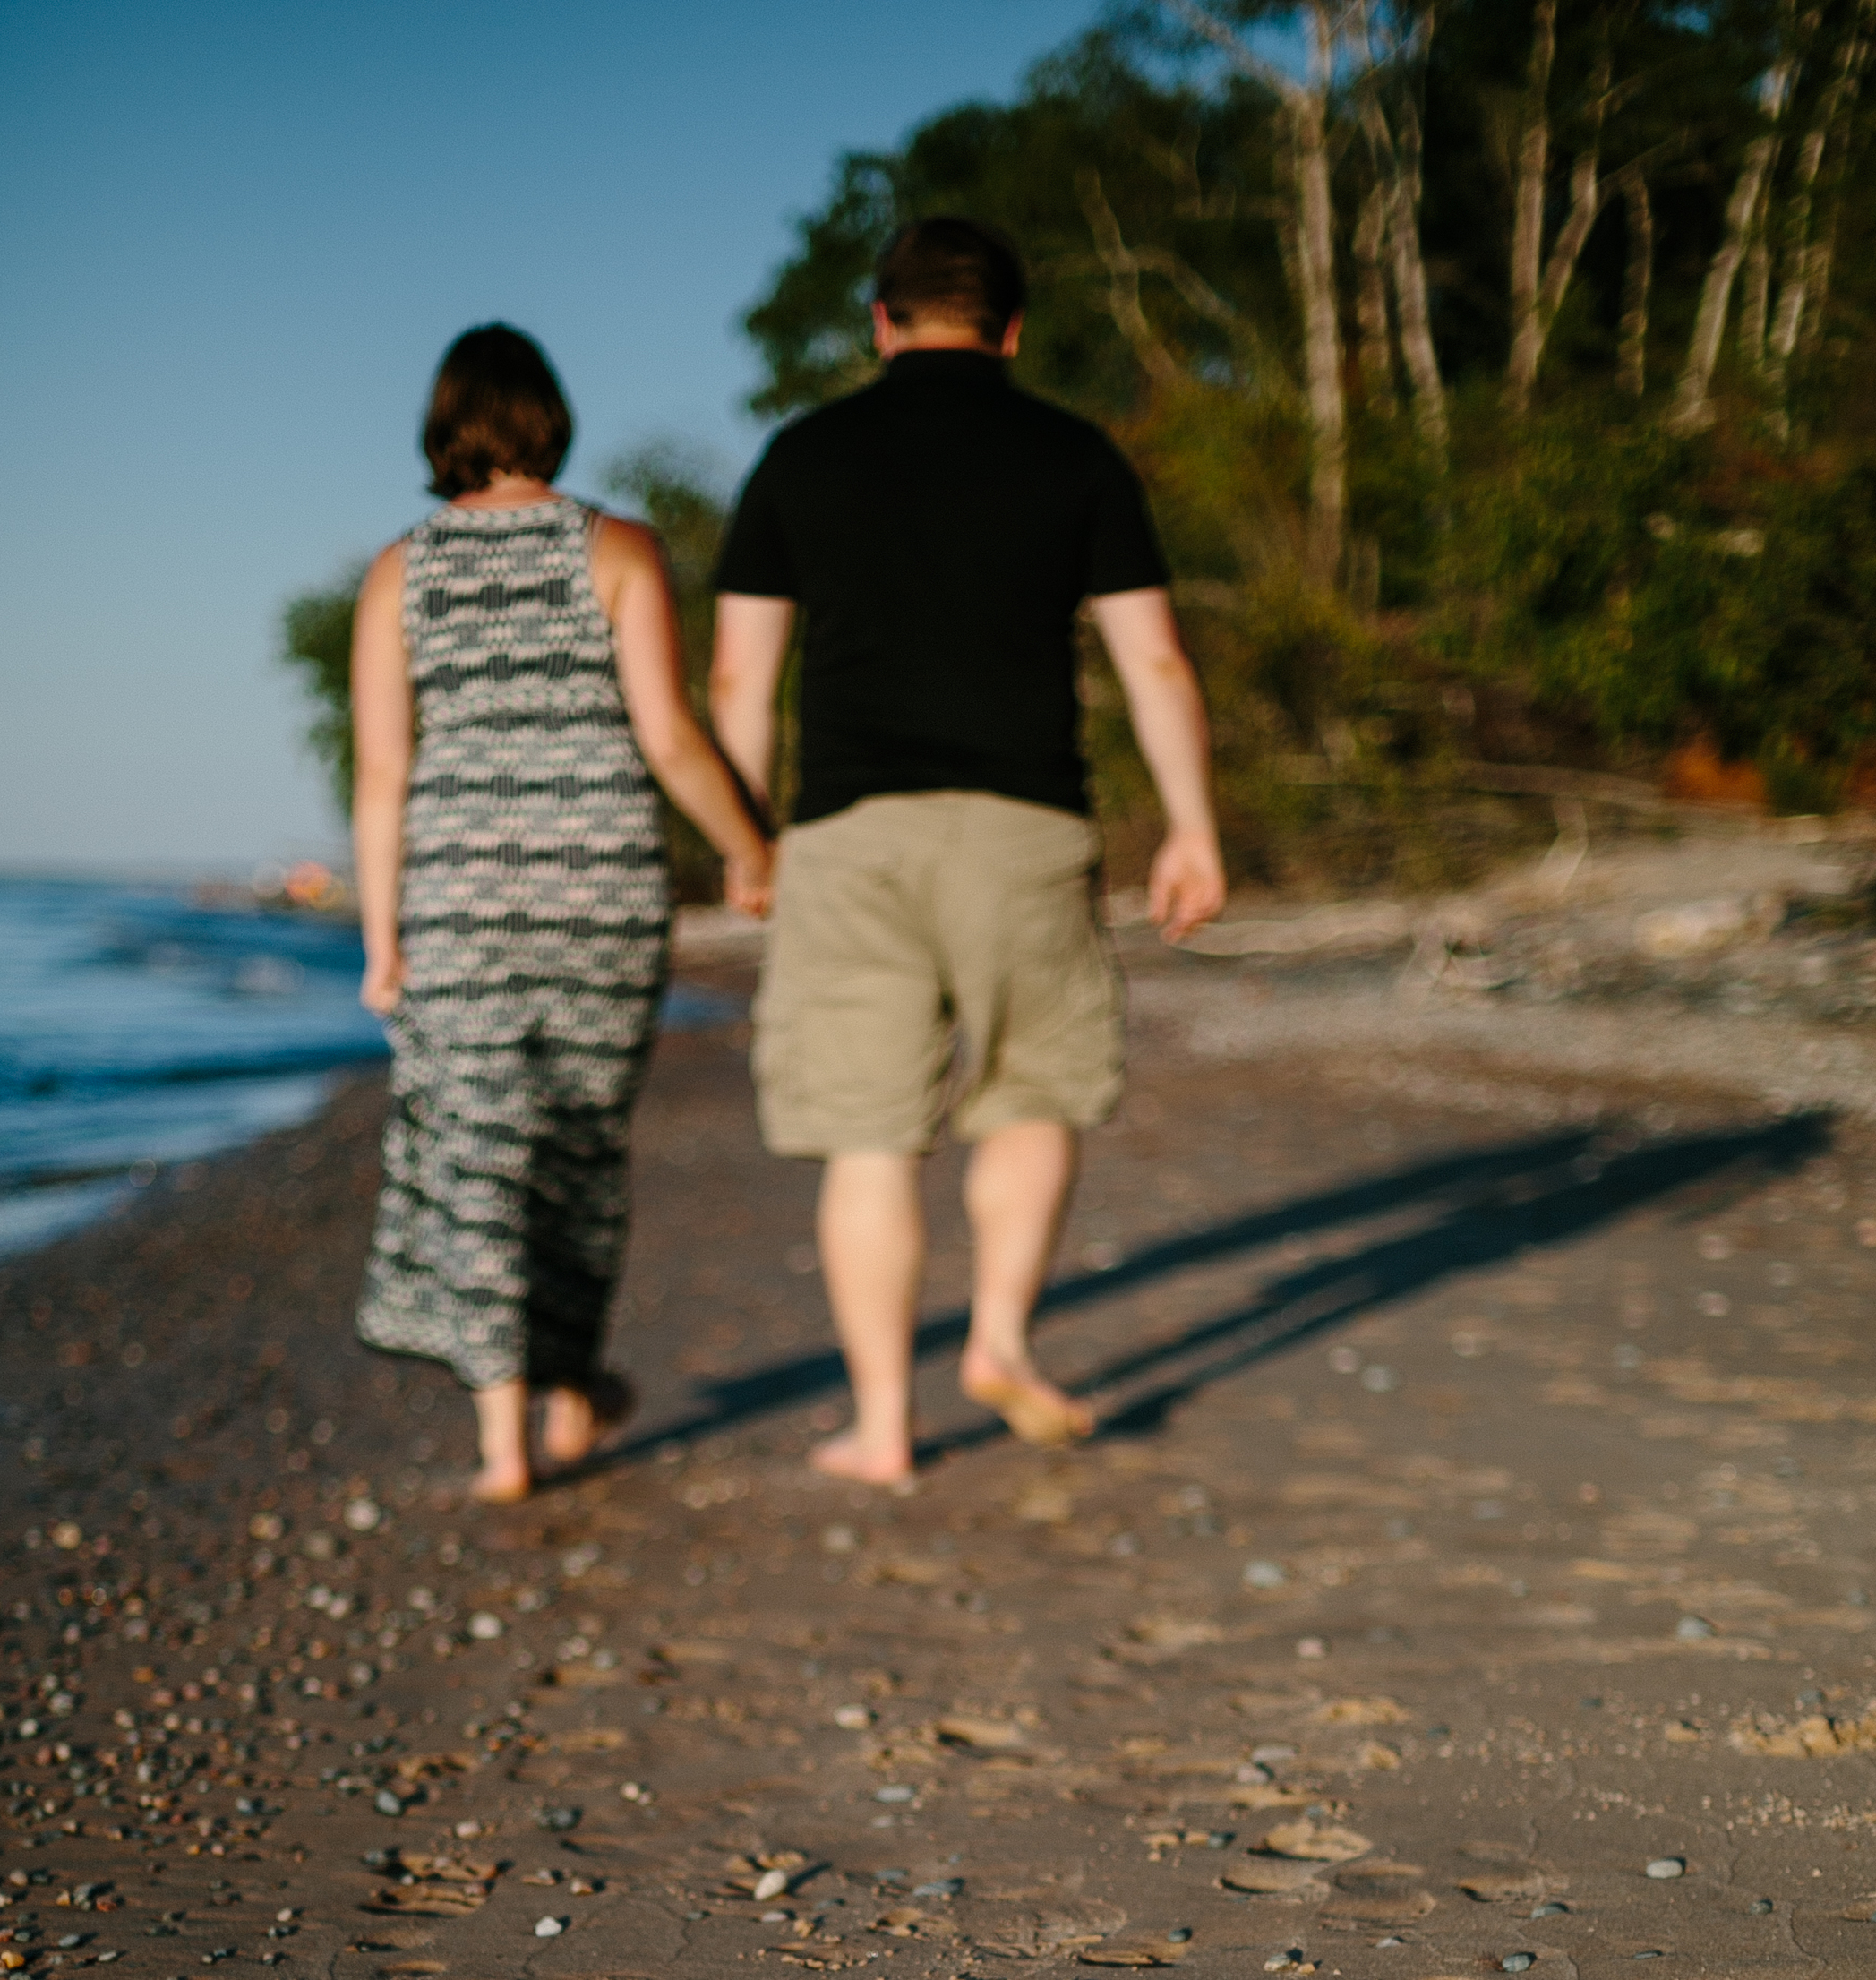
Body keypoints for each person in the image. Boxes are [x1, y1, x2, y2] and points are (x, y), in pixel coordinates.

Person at [710, 216, 1226, 1486]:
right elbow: (1152, 658)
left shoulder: (802, 455)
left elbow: (738, 674)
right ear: (1010, 331)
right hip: (1028, 827)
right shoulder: (1074, 454)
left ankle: (884, 1428)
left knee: (870, 1136)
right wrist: (1194, 826)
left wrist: (744, 837)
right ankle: (998, 1338)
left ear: (881, 326)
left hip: (849, 832)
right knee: (1035, 1093)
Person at [352, 324, 773, 1503]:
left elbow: (384, 774)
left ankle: (506, 1447)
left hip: (462, 906)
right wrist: (752, 848)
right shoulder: (618, 549)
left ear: (445, 425)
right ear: (552, 417)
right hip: (603, 901)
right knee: (582, 1157)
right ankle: (573, 1390)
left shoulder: (400, 571)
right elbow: (672, 738)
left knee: (482, 1157)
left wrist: (385, 941)